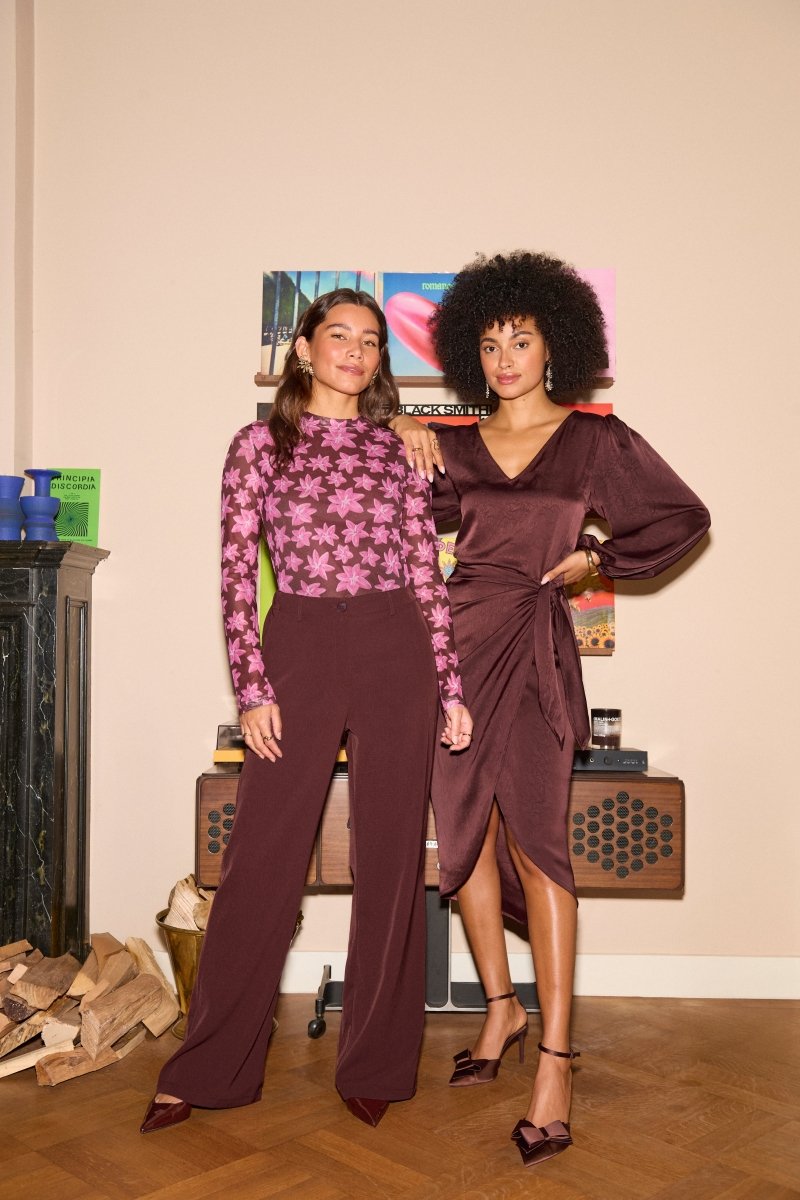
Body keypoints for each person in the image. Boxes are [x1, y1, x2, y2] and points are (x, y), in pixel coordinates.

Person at [392, 251, 710, 1167]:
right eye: (490, 344)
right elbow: (380, 499)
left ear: (554, 345)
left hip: (535, 650)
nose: (504, 359)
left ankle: (557, 1061)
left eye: (521, 341)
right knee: (465, 837)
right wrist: (403, 428)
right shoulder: (450, 441)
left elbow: (682, 517)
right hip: (454, 649)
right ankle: (501, 1010)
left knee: (538, 843)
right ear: (471, 351)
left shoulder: (596, 440)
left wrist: (598, 557)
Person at [141, 288, 472, 1134]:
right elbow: (233, 572)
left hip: (397, 643)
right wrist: (251, 686)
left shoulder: (398, 448)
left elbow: (425, 571)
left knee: (393, 858)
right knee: (262, 857)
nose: (355, 352)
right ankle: (210, 1066)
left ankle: (378, 1062)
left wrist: (450, 685)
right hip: (299, 643)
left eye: (371, 341)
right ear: (304, 348)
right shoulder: (258, 444)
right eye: (339, 336)